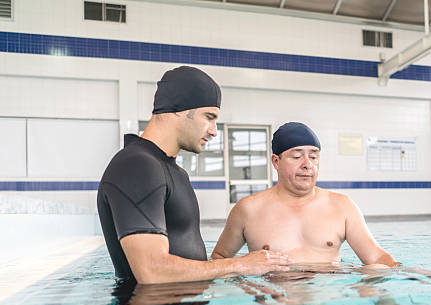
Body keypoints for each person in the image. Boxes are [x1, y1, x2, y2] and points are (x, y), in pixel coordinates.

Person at [97, 66, 291, 284]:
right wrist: (241, 265)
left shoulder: (171, 171)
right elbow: (152, 271)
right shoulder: (136, 166)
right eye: (209, 117)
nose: (214, 130)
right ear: (179, 108)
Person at [212, 122, 399, 268]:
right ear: (276, 161)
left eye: (314, 156)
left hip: (327, 293)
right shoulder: (248, 209)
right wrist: (243, 272)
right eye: (296, 156)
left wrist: (415, 275)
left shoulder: (342, 206)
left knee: (376, 270)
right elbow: (218, 259)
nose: (307, 164)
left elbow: (376, 258)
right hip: (274, 296)